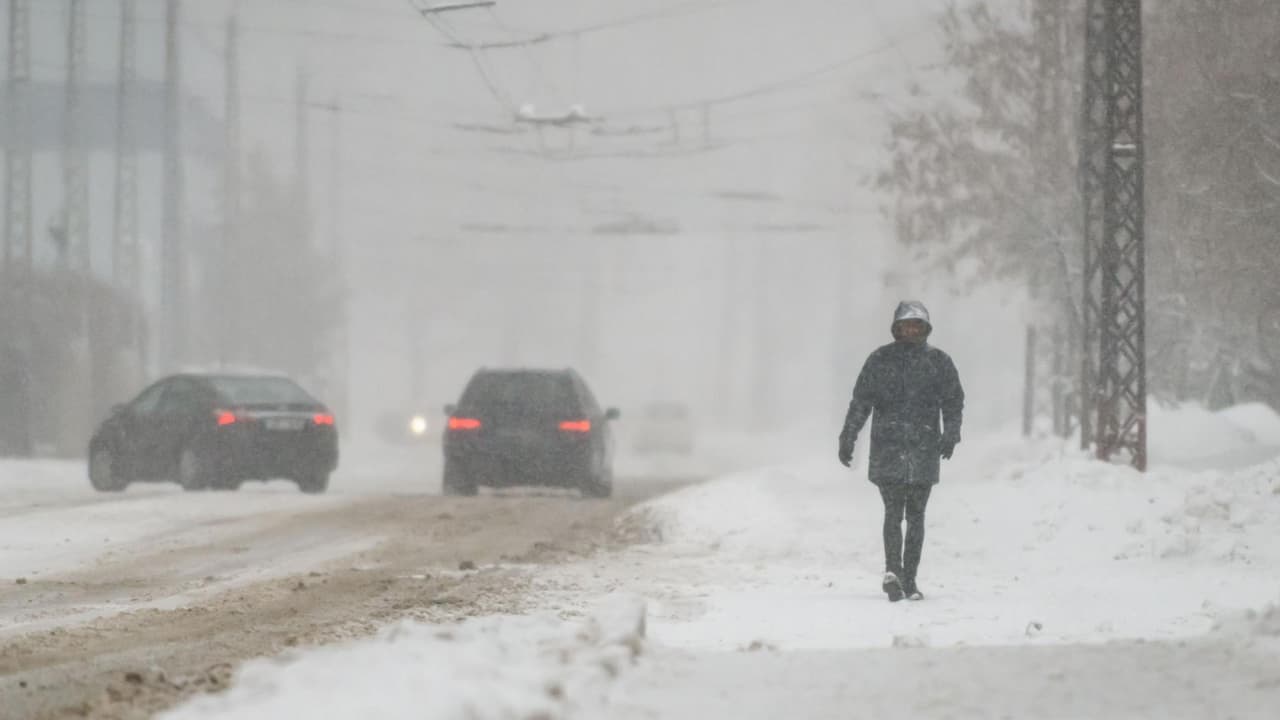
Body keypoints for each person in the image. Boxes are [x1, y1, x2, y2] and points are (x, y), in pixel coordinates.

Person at [838, 301, 964, 602]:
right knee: (893, 512)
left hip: (924, 447)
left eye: (917, 325)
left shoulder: (939, 362)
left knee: (917, 515)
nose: (911, 330)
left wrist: (951, 433)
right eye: (906, 324)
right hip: (888, 448)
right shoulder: (879, 361)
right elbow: (861, 402)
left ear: (925, 328)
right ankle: (893, 571)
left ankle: (911, 578)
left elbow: (953, 401)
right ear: (896, 328)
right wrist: (849, 436)